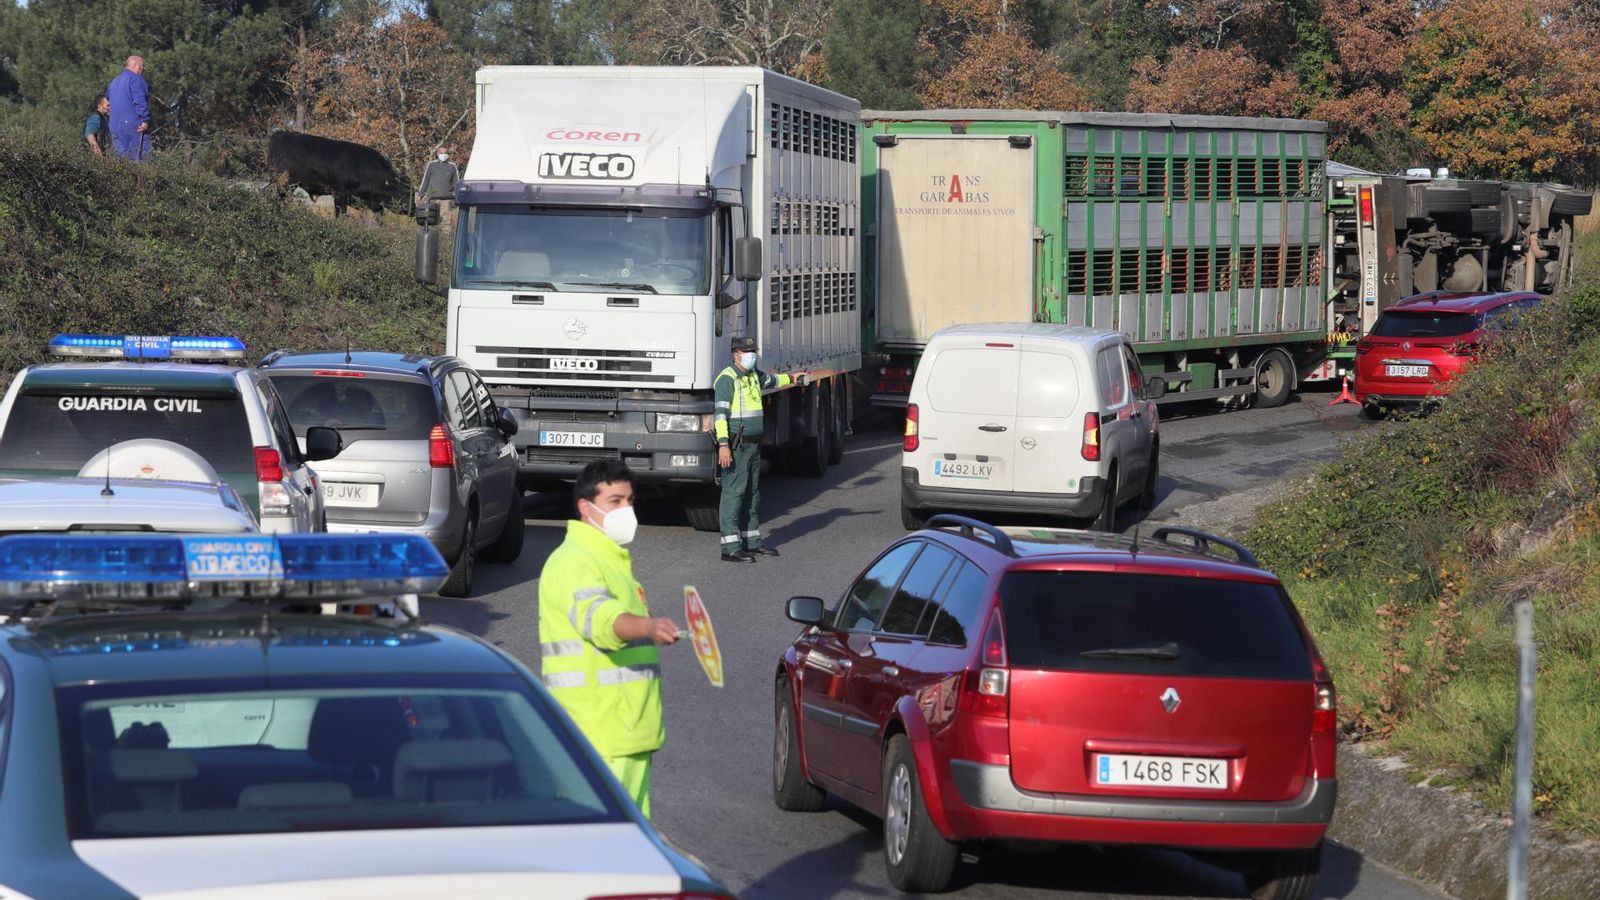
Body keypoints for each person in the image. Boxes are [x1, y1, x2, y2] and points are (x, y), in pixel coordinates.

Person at [537, 460, 680, 817]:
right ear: (587, 508)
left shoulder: (609, 560)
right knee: (615, 848)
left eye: (630, 501)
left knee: (626, 844)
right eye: (615, 501)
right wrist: (648, 627)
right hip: (601, 734)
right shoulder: (576, 562)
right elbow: (600, 620)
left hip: (622, 731)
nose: (626, 510)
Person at [713, 336, 807, 563]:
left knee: (752, 493)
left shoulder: (754, 375)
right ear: (735, 353)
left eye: (752, 351)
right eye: (746, 352)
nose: (750, 355)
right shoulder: (727, 379)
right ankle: (730, 547)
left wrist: (793, 378)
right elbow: (720, 416)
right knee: (734, 493)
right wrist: (723, 446)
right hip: (736, 445)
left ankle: (752, 541)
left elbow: (773, 381)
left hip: (753, 444)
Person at [106, 55, 150, 162]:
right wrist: (145, 119)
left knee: (122, 162)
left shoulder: (114, 82)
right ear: (136, 66)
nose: (142, 71)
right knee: (140, 159)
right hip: (132, 123)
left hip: (114, 124)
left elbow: (108, 100)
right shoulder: (136, 79)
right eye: (142, 68)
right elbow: (139, 100)